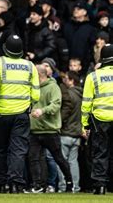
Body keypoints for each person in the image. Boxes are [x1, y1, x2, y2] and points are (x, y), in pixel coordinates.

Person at [0, 34, 40, 193]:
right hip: (22, 114)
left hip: (1, 113)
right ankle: (16, 183)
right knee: (18, 150)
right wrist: (30, 104)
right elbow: (36, 94)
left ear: (5, 49)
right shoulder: (30, 66)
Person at [26, 65, 73, 193]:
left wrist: (42, 110)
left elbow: (56, 105)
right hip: (35, 130)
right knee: (33, 158)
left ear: (39, 75)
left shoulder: (53, 87)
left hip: (50, 130)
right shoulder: (32, 87)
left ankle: (70, 183)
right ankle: (38, 185)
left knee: (58, 158)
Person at [81, 44, 113, 195]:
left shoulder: (93, 77)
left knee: (100, 153)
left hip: (100, 119)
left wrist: (85, 124)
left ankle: (100, 185)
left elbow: (86, 103)